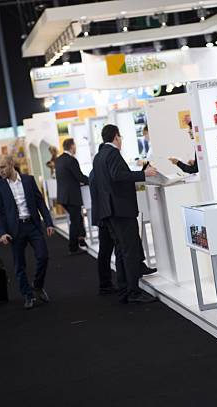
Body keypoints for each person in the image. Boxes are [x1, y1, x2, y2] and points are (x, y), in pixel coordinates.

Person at [92, 124, 159, 304]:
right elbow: (118, 175)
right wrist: (143, 174)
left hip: (110, 211)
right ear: (116, 137)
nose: (121, 140)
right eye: (120, 137)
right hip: (121, 210)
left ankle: (124, 291)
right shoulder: (112, 153)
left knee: (121, 250)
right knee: (128, 251)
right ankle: (134, 291)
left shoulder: (98, 157)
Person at [0, 155, 54, 310]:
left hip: (32, 225)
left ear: (11, 164)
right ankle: (28, 295)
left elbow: (40, 202)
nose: (0, 171)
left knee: (43, 256)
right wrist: (2, 233)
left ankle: (38, 285)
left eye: (3, 167)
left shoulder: (28, 180)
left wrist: (48, 222)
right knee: (19, 265)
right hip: (15, 230)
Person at [55, 138, 89, 254]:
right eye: (75, 146)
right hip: (72, 196)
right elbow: (79, 177)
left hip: (63, 196)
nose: (76, 148)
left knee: (78, 218)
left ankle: (81, 239)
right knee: (75, 221)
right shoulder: (71, 160)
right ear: (71, 146)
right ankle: (73, 247)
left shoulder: (59, 160)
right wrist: (92, 180)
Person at [88, 169, 117, 295]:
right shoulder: (98, 172)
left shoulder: (95, 172)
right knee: (105, 251)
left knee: (105, 251)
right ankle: (105, 284)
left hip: (102, 215)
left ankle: (105, 283)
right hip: (104, 217)